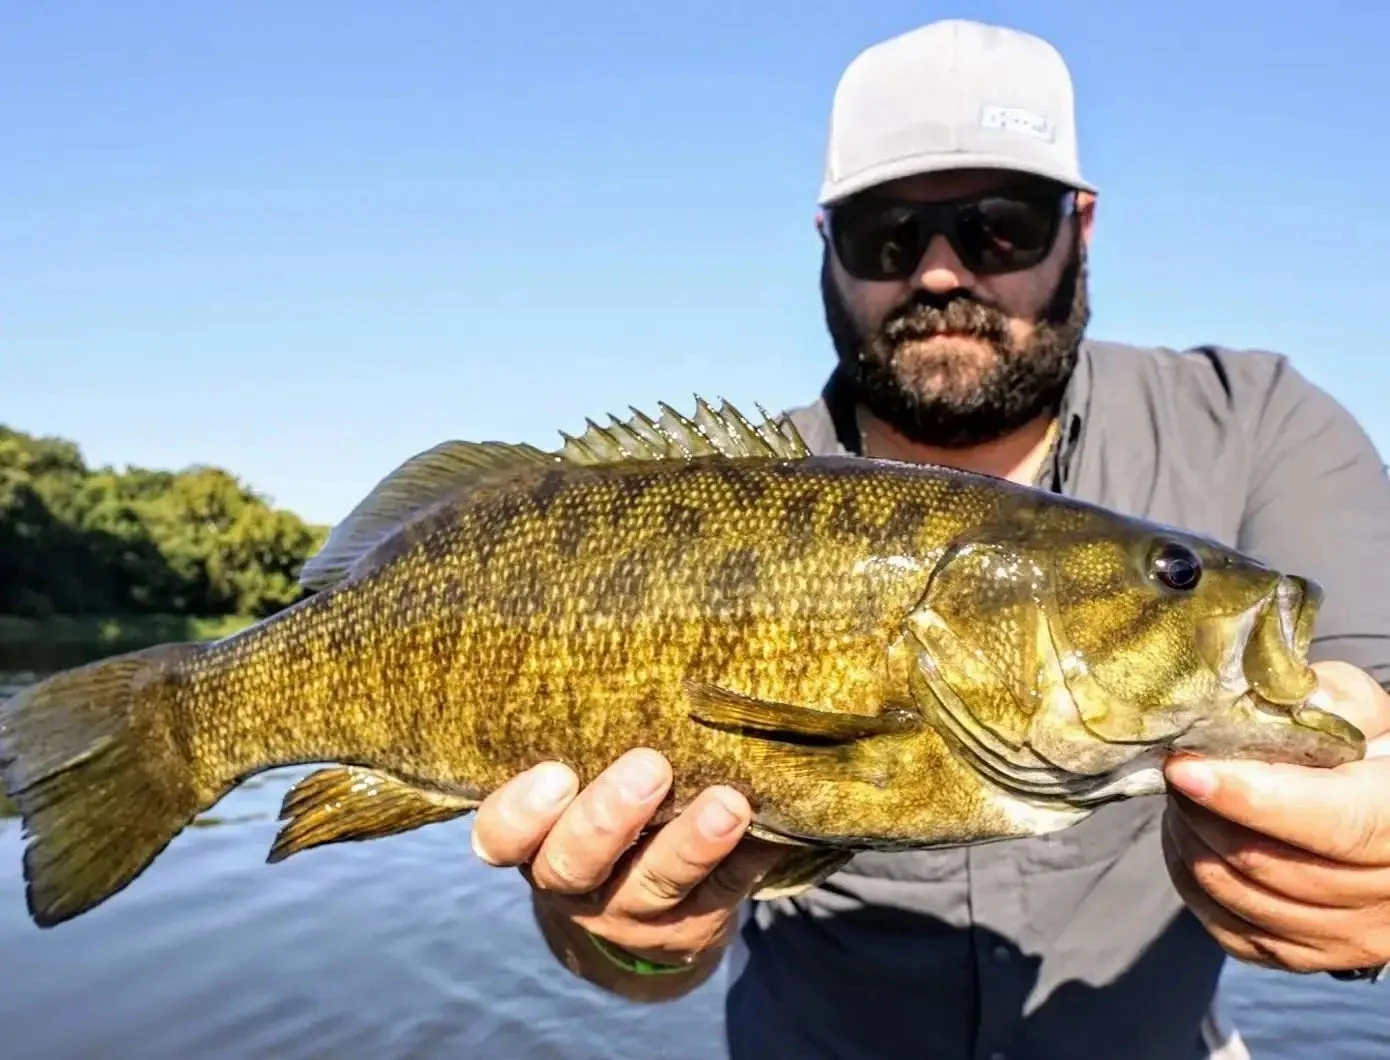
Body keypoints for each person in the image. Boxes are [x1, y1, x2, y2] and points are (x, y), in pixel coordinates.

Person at [468, 19, 1390, 1060]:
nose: (942, 273)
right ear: (826, 244)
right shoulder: (728, 499)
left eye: (1002, 225)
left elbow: (1370, 696)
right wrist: (634, 940)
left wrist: (1366, 878)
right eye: (888, 235)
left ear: (1081, 225)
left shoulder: (1259, 423)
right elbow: (620, 961)